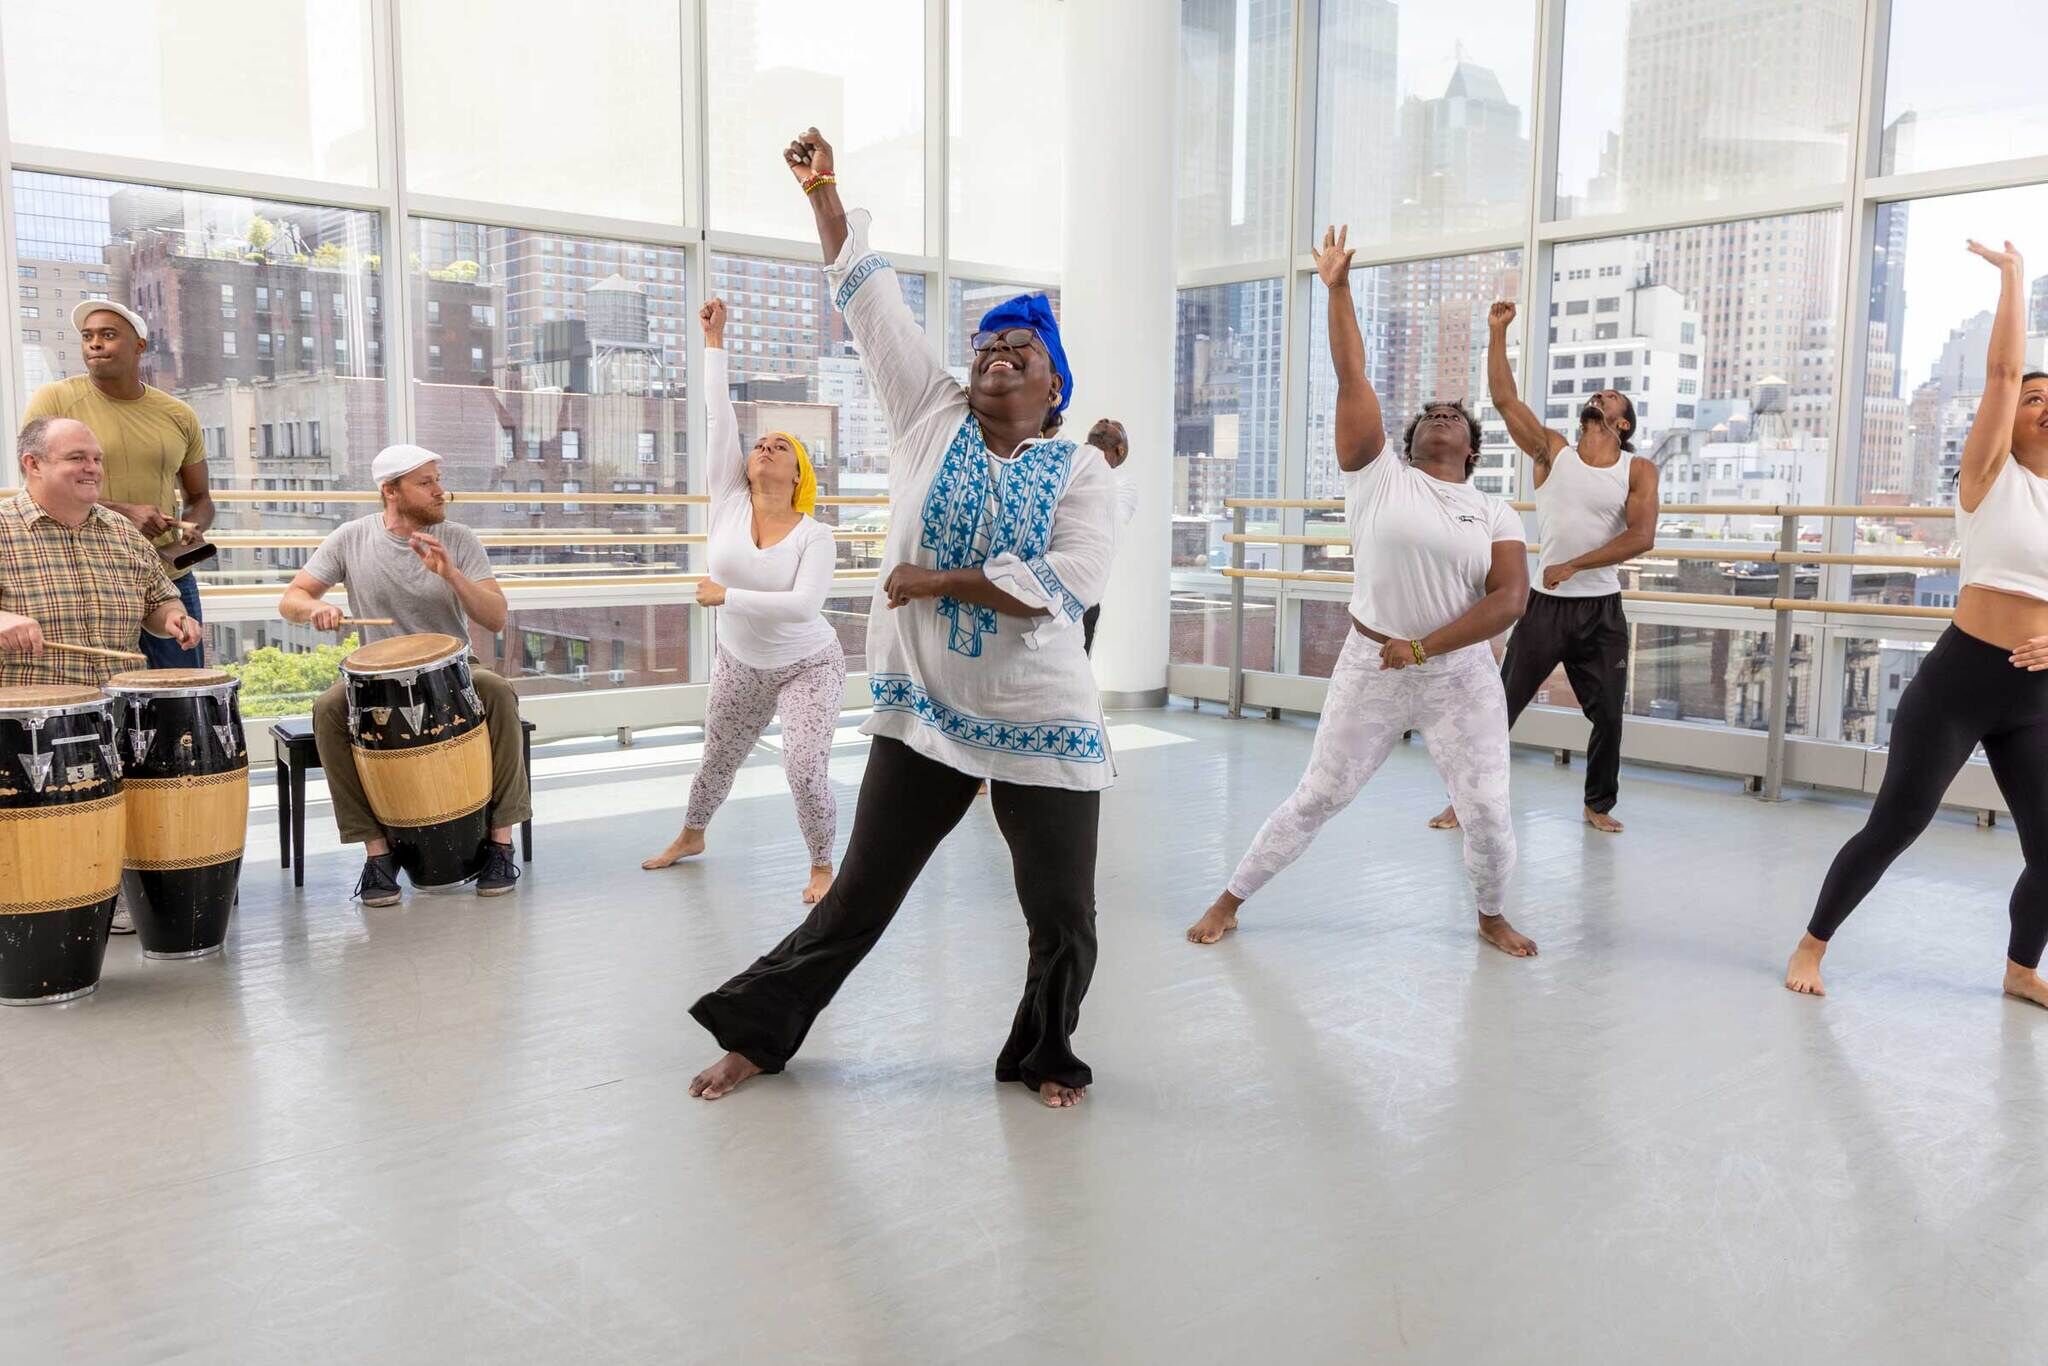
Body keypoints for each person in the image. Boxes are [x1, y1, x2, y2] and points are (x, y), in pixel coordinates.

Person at [687, 128, 1119, 1109]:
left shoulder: (1081, 468)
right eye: (987, 347)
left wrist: (939, 581)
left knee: (1062, 914)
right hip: (925, 711)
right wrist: (824, 196)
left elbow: (1070, 580)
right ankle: (758, 1032)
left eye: (1020, 351)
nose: (997, 356)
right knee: (858, 897)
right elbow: (872, 304)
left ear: (1054, 385)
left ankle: (1044, 1054)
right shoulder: (931, 413)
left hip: (1043, 717)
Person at [1186, 226, 1537, 958]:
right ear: (1409, 442)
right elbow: (1353, 375)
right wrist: (1338, 288)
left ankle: (1491, 914)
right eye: (1430, 414)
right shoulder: (1379, 477)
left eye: (1456, 416)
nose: (1443, 415)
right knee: (1320, 794)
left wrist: (1425, 648)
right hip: (1371, 665)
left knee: (1487, 811)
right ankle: (1230, 899)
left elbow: (1509, 600)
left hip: (1459, 676)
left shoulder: (1493, 510)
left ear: (1472, 448)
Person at [1787, 239, 2048, 1009]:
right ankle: (1812, 943)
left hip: (2037, 696)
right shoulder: (1990, 478)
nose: (2042, 403)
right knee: (1897, 821)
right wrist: (2013, 281)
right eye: (2034, 397)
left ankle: (2020, 969)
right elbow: (2001, 373)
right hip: (1962, 680)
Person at [642, 296, 847, 904]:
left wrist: (726, 594)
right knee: (716, 759)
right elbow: (718, 417)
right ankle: (692, 835)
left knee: (803, 767)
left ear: (799, 473)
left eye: (781, 446)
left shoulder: (816, 536)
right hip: (739, 662)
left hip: (809, 665)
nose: (765, 448)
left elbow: (803, 607)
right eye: (760, 443)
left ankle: (821, 864)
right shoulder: (728, 501)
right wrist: (713, 341)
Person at [1428, 300, 1656, 835]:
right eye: (1597, 393)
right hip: (1545, 609)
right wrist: (1497, 332)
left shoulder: (1638, 469)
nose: (1600, 395)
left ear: (1622, 422)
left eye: (1611, 397)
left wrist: (1573, 564)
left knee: (1609, 714)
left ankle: (1598, 804)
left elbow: (1641, 537)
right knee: (1499, 707)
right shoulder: (1552, 451)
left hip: (1601, 611)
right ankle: (1463, 800)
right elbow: (1505, 400)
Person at [277, 445, 529, 907]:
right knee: (328, 708)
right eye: (426, 483)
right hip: (377, 679)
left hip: (453, 669)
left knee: (496, 690)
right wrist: (316, 607)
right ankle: (377, 854)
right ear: (390, 491)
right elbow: (292, 598)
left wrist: (452, 575)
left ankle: (500, 844)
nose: (439, 491)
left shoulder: (458, 540)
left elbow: (494, 617)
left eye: (438, 480)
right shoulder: (350, 538)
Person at [24, 300, 214, 667]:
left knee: (182, 693)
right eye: (88, 336)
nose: (95, 343)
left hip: (167, 579)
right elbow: (36, 482)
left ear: (139, 346)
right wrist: (124, 513)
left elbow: (200, 496)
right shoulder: (55, 399)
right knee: (100, 689)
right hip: (88, 577)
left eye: (108, 335)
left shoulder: (178, 414)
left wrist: (191, 531)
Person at [0, 417, 201, 686]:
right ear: (33, 464)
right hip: (31, 709)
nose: (92, 468)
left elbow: (160, 601)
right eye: (77, 458)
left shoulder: (124, 531)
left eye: (97, 459)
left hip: (124, 705)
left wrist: (174, 617)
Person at [1082, 418, 1136, 656]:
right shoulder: (1070, 465)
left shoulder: (1122, 485)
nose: (1104, 421)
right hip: (1048, 588)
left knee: (1075, 667)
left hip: (1083, 594)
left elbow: (1107, 532)